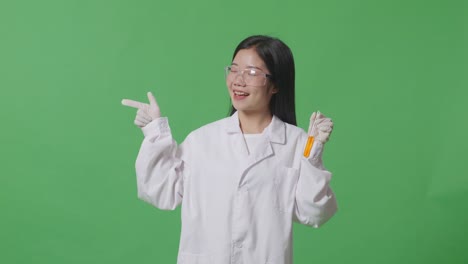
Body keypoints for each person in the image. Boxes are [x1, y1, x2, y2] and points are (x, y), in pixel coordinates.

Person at [122, 35, 337, 264]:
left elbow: (314, 213)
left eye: (252, 72)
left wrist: (312, 153)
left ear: (275, 84)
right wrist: (155, 133)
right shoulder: (202, 140)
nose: (238, 80)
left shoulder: (297, 144)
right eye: (234, 69)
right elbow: (161, 192)